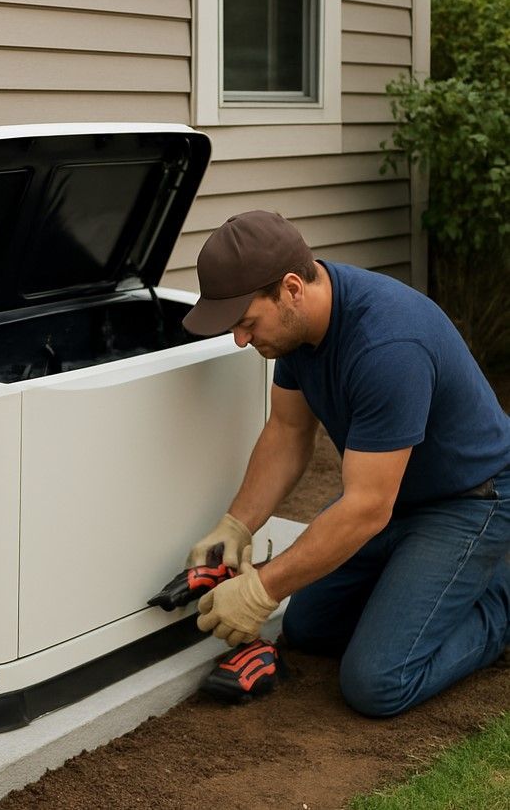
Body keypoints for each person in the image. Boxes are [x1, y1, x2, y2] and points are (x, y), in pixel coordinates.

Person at [183, 209, 509, 717]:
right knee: (309, 629)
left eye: (246, 323)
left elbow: (365, 509)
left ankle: (500, 604)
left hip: (472, 501)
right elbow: (289, 434)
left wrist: (260, 590)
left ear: (291, 288)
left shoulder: (388, 346)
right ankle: (421, 581)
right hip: (399, 498)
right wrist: (237, 525)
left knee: (376, 682)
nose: (241, 341)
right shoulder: (298, 327)